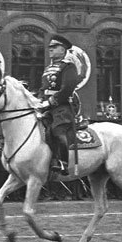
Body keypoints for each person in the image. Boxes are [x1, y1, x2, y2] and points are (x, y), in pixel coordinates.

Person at [37, 34, 80, 175]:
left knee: (58, 130)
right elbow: (43, 88)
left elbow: (68, 88)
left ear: (63, 50)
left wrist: (50, 101)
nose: (50, 49)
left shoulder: (68, 67)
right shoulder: (47, 69)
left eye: (54, 47)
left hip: (62, 107)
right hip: (46, 107)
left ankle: (63, 162)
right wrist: (39, 101)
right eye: (50, 47)